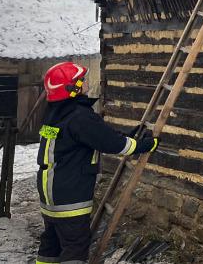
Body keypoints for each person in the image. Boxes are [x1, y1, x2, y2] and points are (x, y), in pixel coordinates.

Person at [35, 61, 159, 264]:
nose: (84, 83)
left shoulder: (53, 115)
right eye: (80, 81)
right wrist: (144, 146)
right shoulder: (79, 116)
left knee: (51, 245)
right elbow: (111, 143)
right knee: (74, 249)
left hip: (50, 197)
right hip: (70, 197)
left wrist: (126, 135)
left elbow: (84, 139)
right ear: (71, 88)